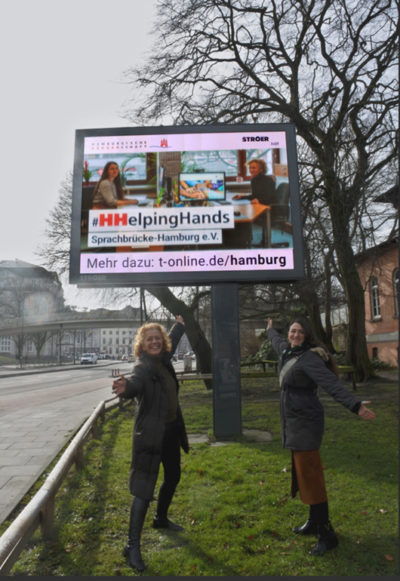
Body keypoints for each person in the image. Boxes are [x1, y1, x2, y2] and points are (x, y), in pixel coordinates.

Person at [266, 316, 376, 556]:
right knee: (303, 473)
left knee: (311, 476)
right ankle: (314, 522)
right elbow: (275, 341)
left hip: (306, 422)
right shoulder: (287, 351)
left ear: (306, 336)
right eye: (292, 331)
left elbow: (331, 384)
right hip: (293, 422)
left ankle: (327, 533)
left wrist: (355, 405)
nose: (295, 335)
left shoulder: (309, 358)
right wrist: (270, 329)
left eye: (300, 332)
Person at [112, 316, 189, 572]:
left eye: (158, 338)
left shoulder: (163, 361)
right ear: (142, 345)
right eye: (150, 339)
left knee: (174, 476)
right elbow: (134, 383)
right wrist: (125, 388)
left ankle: (161, 518)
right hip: (149, 437)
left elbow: (173, 343)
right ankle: (132, 546)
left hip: (170, 432)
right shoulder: (143, 367)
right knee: (143, 491)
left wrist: (178, 326)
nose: (155, 342)